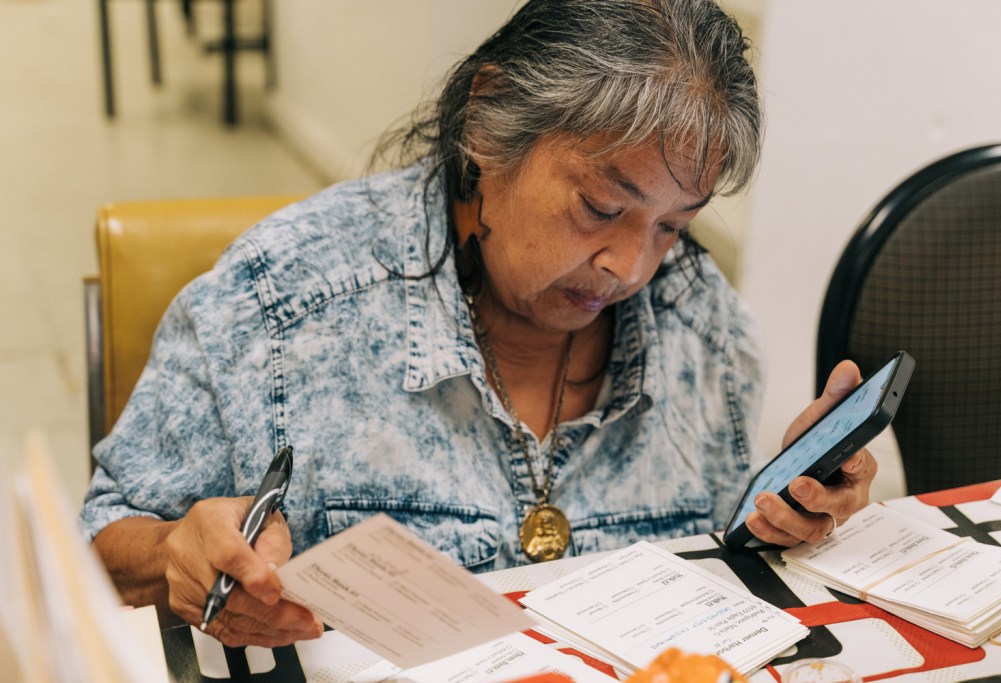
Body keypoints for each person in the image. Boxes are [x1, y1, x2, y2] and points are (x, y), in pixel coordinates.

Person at [80, 0, 877, 649]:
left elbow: (713, 588)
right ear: (491, 122)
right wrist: (176, 555)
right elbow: (99, 548)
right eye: (601, 208)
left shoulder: (703, 326)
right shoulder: (286, 300)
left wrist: (782, 516)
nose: (630, 268)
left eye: (672, 226)